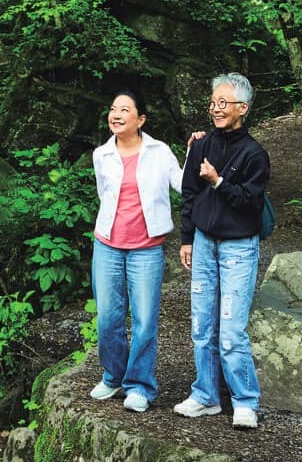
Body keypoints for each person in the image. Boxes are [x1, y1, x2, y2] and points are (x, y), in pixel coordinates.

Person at [174, 72, 271, 430]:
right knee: (201, 325)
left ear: (242, 108)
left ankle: (246, 401)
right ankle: (206, 396)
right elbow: (187, 192)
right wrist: (186, 237)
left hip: (238, 248)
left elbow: (250, 203)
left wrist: (218, 181)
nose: (216, 109)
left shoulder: (255, 154)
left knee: (231, 330)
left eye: (223, 103)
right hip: (203, 243)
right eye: (213, 102)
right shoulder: (200, 145)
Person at [89, 89, 184, 413]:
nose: (116, 115)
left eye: (124, 110)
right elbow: (105, 195)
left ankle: (140, 386)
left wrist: (199, 151)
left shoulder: (159, 152)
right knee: (108, 319)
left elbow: (184, 185)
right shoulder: (102, 155)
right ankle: (114, 375)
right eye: (113, 109)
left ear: (140, 119)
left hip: (146, 250)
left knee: (144, 320)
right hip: (107, 247)